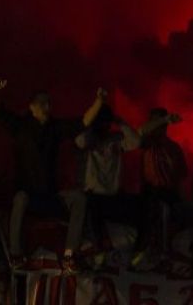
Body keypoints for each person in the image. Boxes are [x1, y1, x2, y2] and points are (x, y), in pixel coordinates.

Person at [0, 78, 105, 274]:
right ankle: (15, 254)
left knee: (79, 198)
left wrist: (99, 101)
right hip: (29, 197)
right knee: (20, 198)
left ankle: (69, 255)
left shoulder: (55, 128)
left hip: (50, 197)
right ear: (32, 107)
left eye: (48, 103)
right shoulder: (21, 126)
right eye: (42, 103)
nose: (47, 107)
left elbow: (83, 122)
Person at [138, 108, 193, 272]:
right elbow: (141, 131)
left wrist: (186, 201)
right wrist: (164, 119)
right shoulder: (146, 144)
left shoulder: (174, 148)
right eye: (155, 122)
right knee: (163, 209)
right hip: (152, 198)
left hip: (172, 197)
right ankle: (164, 256)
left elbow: (180, 180)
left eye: (160, 123)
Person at [76, 106, 144, 268]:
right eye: (101, 121)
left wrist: (120, 122)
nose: (104, 125)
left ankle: (139, 250)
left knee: (143, 204)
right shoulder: (89, 139)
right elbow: (80, 141)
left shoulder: (116, 139)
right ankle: (99, 250)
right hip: (93, 195)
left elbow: (137, 142)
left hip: (113, 195)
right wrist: (91, 123)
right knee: (90, 205)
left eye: (106, 122)